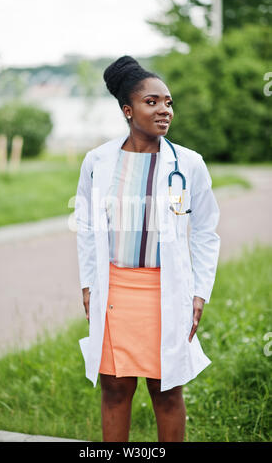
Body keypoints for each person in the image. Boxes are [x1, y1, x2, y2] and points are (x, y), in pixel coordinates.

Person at [74, 55, 220, 442]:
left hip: (166, 290)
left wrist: (199, 291)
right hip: (115, 290)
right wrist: (89, 283)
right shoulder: (97, 162)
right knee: (115, 390)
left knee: (167, 391)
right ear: (128, 110)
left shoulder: (188, 164)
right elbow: (86, 228)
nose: (164, 110)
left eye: (168, 102)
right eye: (152, 101)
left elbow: (206, 231)